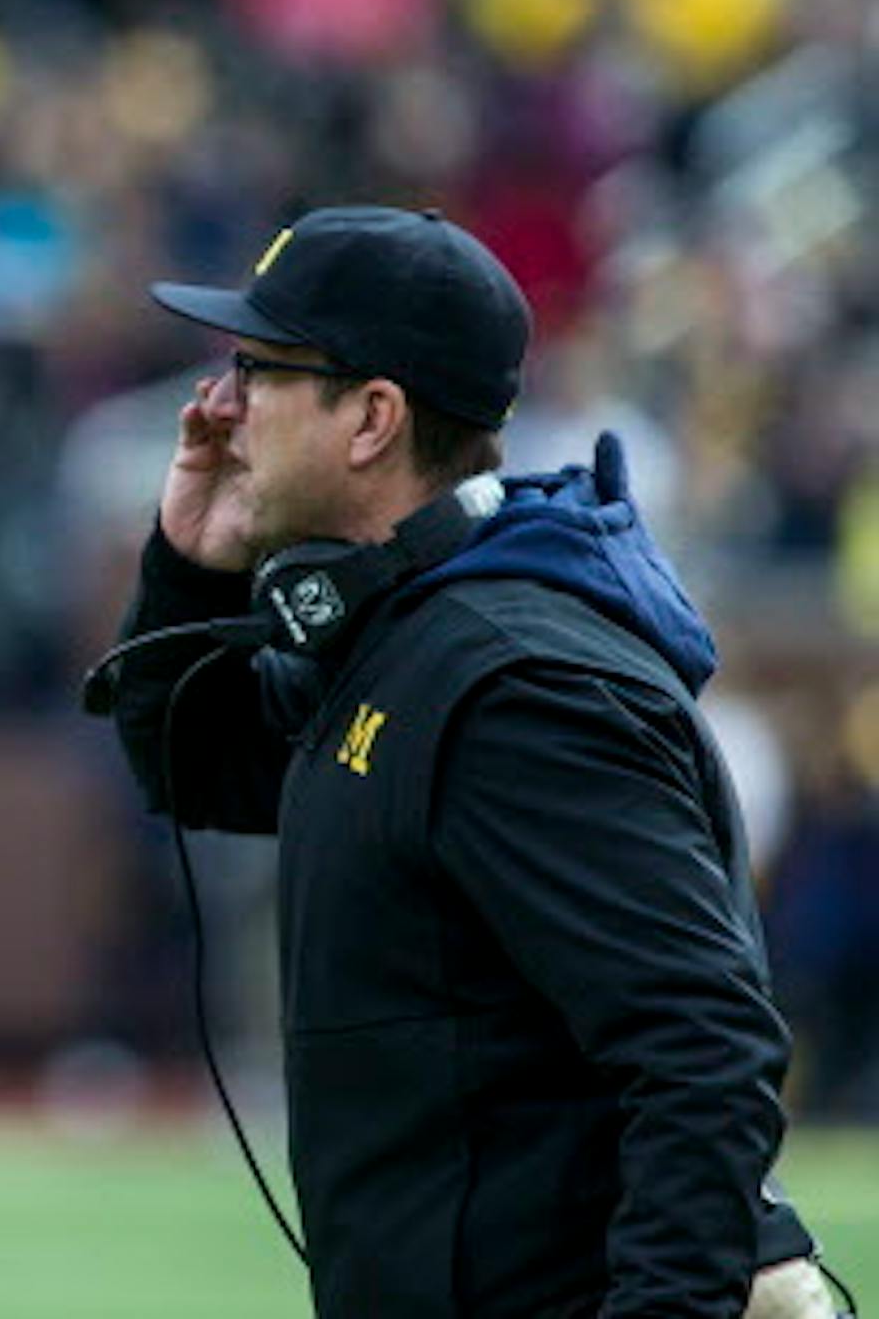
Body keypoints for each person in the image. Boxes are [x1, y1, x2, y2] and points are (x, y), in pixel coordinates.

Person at [88, 207, 841, 1318]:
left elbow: (704, 1050)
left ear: (372, 418)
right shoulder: (404, 631)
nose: (219, 407)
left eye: (259, 369)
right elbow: (201, 773)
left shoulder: (512, 688)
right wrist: (194, 569)